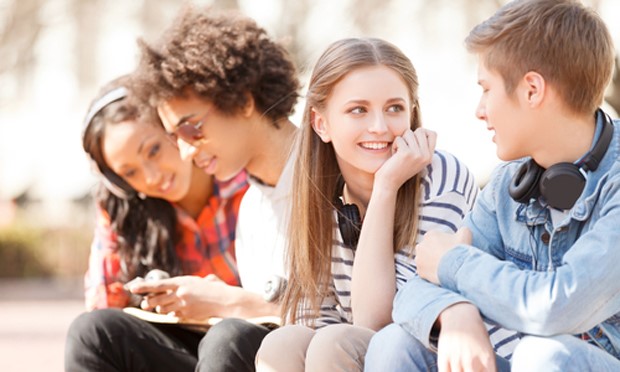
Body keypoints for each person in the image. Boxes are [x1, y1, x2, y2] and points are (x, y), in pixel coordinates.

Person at [364, 0, 620, 371]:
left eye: (486, 89)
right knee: (396, 343)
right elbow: (414, 294)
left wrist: (453, 263)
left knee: (543, 356)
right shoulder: (510, 184)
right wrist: (453, 311)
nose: (479, 110)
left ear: (532, 90)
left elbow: (557, 307)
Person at [255, 37, 481, 372]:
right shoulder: (315, 191)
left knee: (336, 343)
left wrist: (386, 188)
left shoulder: (441, 178)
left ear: (412, 113)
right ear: (321, 124)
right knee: (281, 343)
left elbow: (381, 320)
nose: (379, 127)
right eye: (358, 110)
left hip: (421, 352)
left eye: (394, 108)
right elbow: (312, 316)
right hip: (352, 354)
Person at [128, 6, 300, 372]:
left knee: (230, 339)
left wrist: (231, 302)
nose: (187, 153)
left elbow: (357, 317)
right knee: (101, 333)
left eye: (191, 129)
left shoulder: (338, 174)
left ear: (243, 100)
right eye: (176, 139)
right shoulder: (253, 206)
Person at [65, 78, 248, 371]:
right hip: (181, 350)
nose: (150, 177)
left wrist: (223, 301)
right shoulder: (123, 211)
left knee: (225, 339)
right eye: (130, 172)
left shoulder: (246, 184)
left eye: (152, 151)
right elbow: (104, 306)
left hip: (252, 342)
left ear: (171, 127)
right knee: (92, 332)